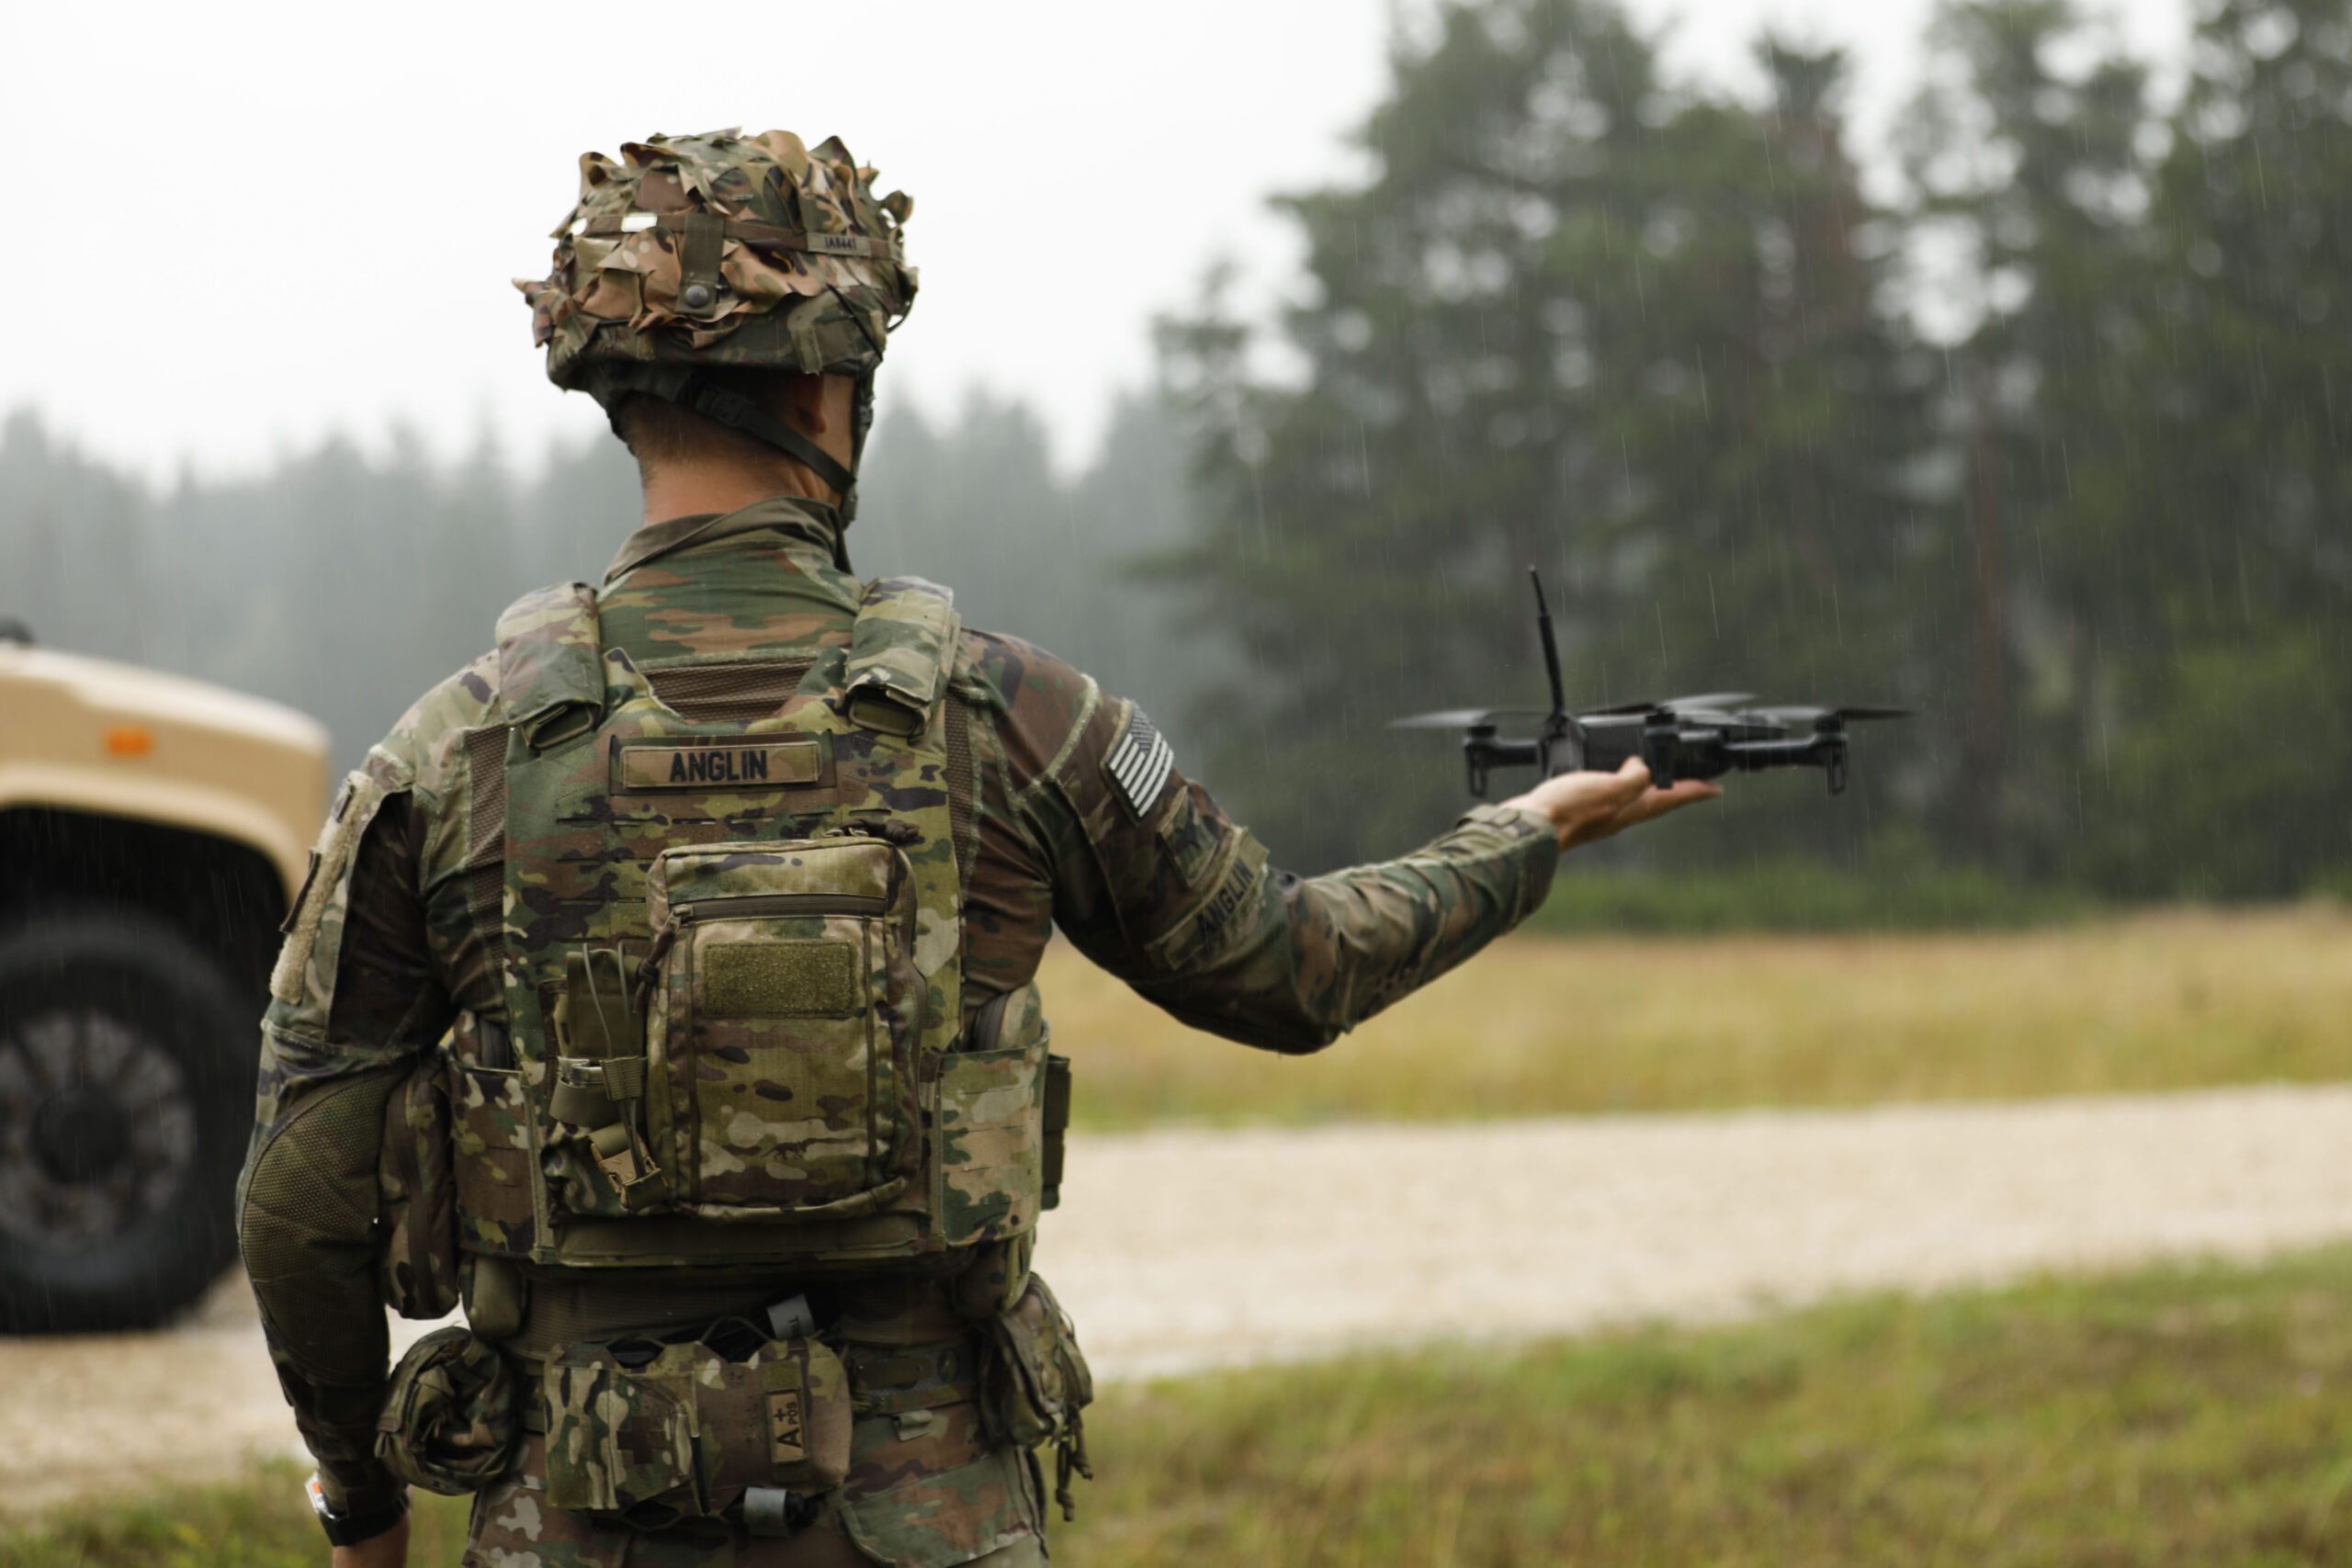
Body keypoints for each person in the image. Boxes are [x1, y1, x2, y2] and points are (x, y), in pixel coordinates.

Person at [236, 128, 1719, 1568]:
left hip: (580, 1523)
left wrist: (362, 1503)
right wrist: (1524, 831)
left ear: (622, 400)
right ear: (830, 386)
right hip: (928, 1523)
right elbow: (1294, 969)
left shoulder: (454, 752)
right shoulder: (1013, 716)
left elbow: (298, 1200)